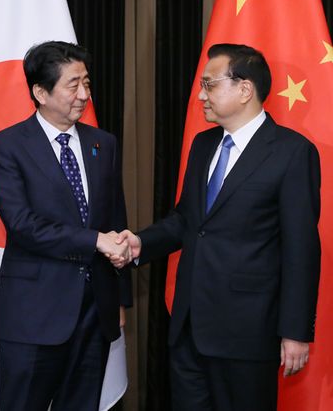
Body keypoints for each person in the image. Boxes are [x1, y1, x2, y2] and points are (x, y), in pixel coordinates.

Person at [113, 44, 321, 411]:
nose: (200, 95)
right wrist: (139, 243)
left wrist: (295, 331)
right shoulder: (203, 144)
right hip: (189, 327)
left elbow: (301, 247)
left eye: (209, 85)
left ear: (244, 90)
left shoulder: (292, 152)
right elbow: (187, 220)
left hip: (249, 330)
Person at [0, 41, 132, 411]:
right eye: (73, 85)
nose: (84, 95)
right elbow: (22, 225)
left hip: (95, 313)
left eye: (87, 83)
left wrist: (120, 297)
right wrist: (95, 241)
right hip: (34, 315)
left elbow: (116, 220)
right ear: (40, 91)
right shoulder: (6, 146)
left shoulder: (104, 144)